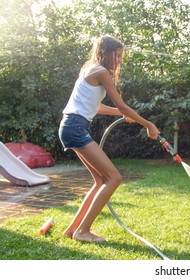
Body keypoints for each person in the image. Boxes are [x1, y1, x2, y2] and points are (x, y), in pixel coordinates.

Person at [58, 35, 160, 242]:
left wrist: (122, 114)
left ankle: (72, 229)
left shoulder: (91, 69)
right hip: (76, 128)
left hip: (70, 126)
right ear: (105, 52)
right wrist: (148, 124)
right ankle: (82, 232)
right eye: (118, 55)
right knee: (114, 178)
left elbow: (97, 107)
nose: (120, 60)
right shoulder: (102, 72)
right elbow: (122, 105)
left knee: (100, 181)